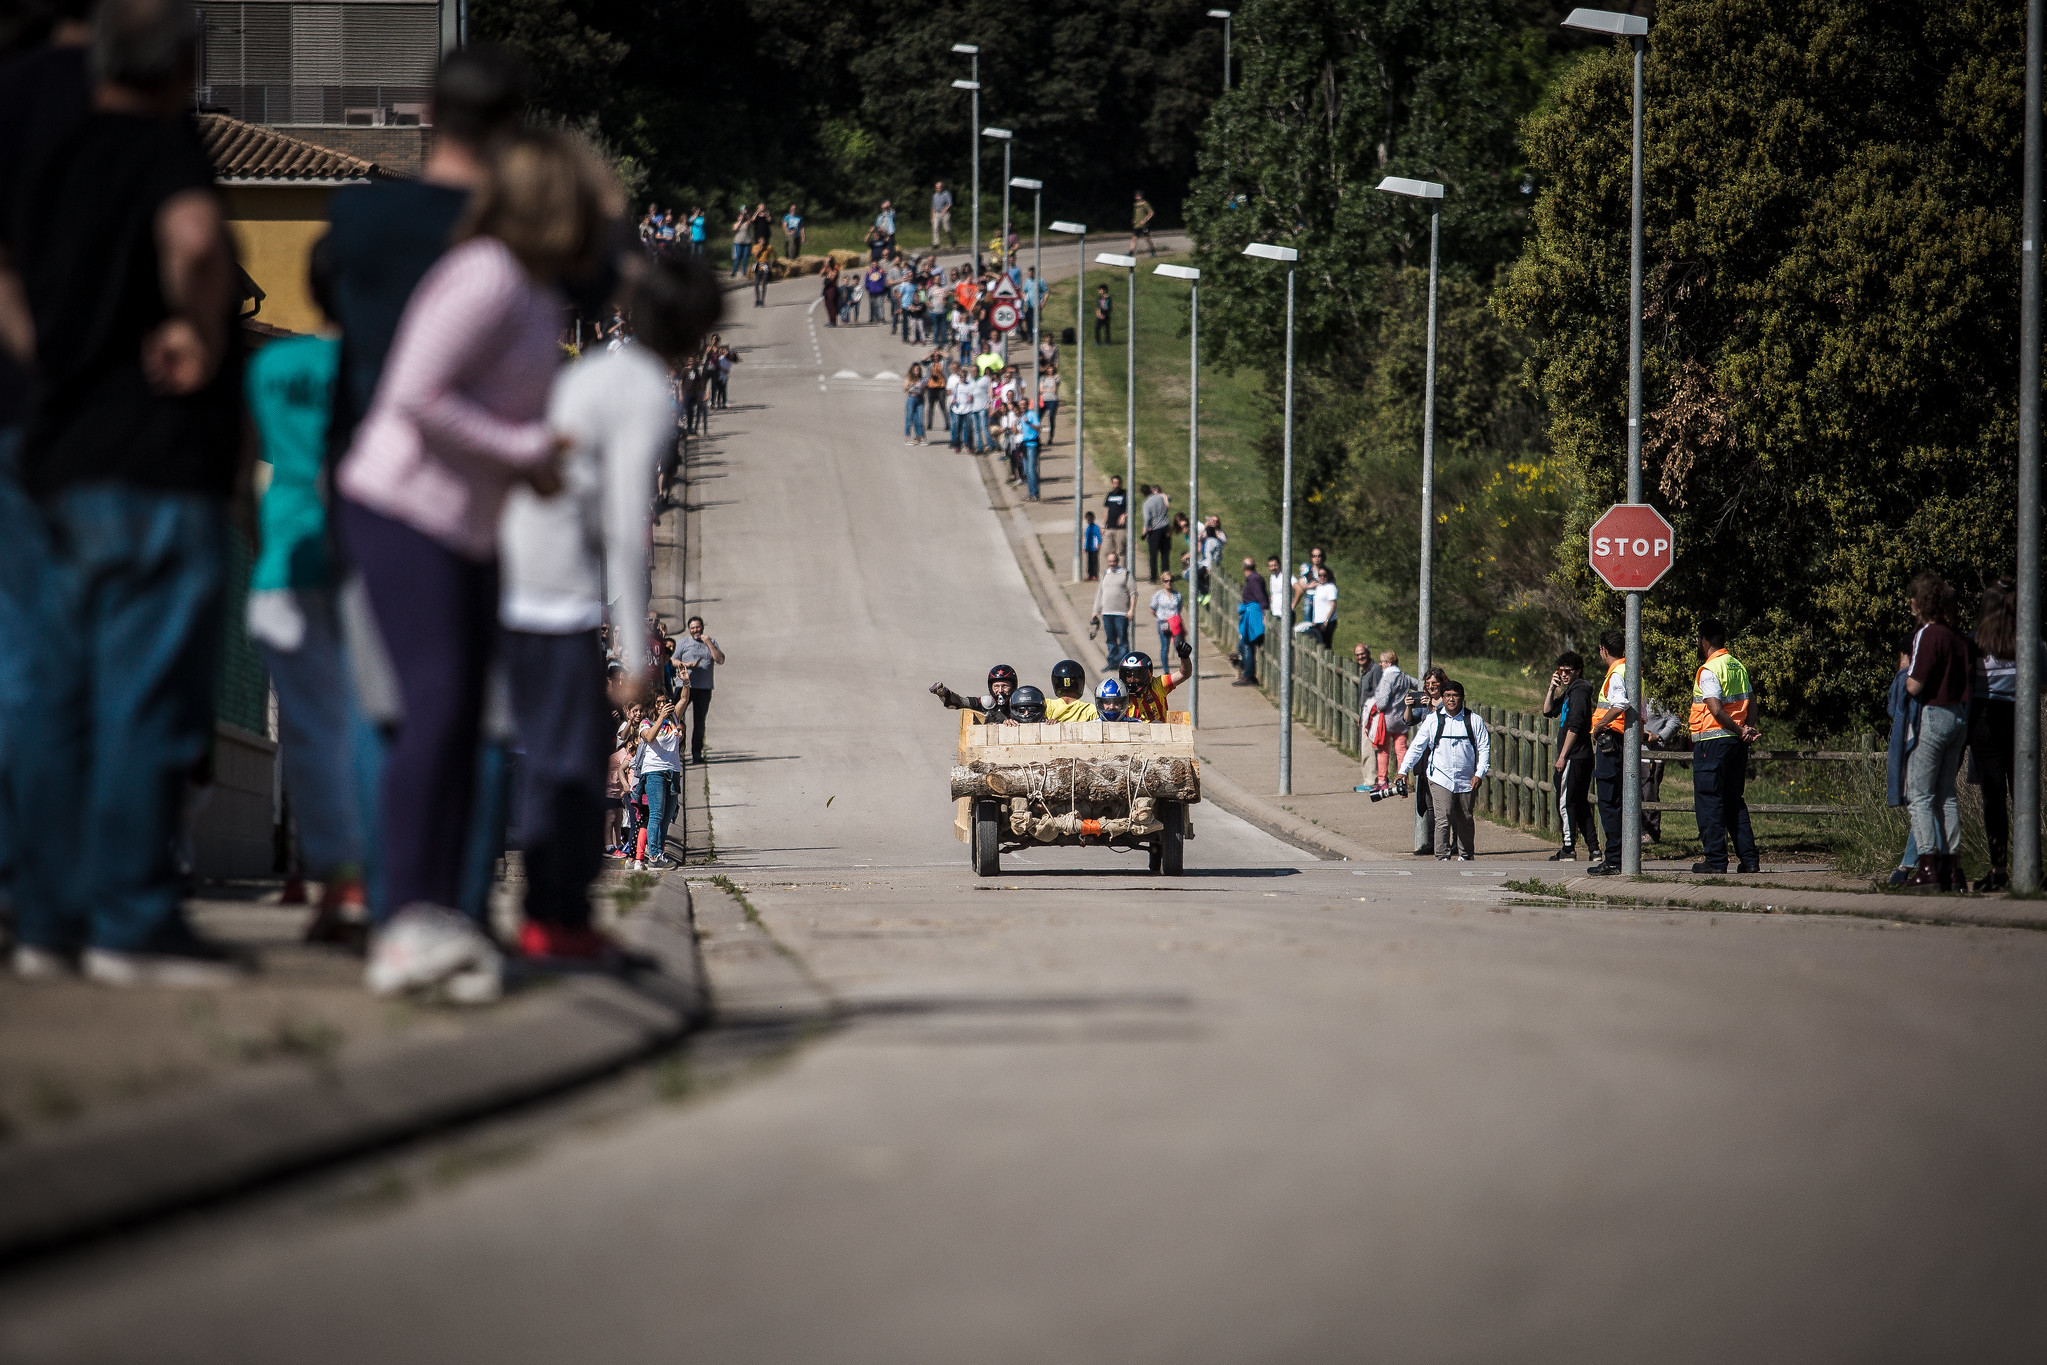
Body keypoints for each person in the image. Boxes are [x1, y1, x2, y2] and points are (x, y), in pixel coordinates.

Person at [0, 0, 249, 984]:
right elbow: (192, 242)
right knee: (142, 696)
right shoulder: (160, 146)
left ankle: (47, 915)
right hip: (150, 455)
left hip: (54, 452)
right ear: (184, 70)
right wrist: (200, 328)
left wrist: (51, 359)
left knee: (54, 691)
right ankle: (131, 918)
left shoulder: (44, 149)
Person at [337, 129, 614, 999]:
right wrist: (525, 448)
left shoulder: (534, 293)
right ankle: (406, 919)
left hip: (465, 526)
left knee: (463, 722)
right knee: (439, 706)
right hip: (403, 507)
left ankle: (443, 919)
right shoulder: (486, 274)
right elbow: (413, 394)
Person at [500, 251, 720, 958]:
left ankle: (513, 904)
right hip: (558, 589)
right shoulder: (646, 391)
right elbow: (630, 519)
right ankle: (557, 915)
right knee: (573, 759)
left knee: (522, 750)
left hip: (509, 573)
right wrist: (630, 649)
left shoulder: (588, 368)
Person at [244, 239, 367, 944]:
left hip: (282, 560)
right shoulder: (375, 374)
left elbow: (241, 474)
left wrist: (258, 545)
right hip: (354, 564)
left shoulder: (271, 368)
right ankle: (355, 875)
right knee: (360, 725)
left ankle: (325, 877)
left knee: (306, 734)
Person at [1901, 572, 1971, 891]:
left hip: (1934, 713)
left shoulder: (1928, 634)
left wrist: (1901, 681)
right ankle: (1952, 866)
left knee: (1919, 792)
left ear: (1923, 601)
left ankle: (1927, 865)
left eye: (1914, 597)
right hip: (1958, 714)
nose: (1911, 602)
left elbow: (1915, 684)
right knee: (1946, 794)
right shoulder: (1956, 636)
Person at [1968, 580, 2031, 892]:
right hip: (2020, 720)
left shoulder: (1975, 642)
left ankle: (1999, 869)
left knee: (1993, 799)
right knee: (2024, 793)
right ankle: (2032, 865)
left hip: (1984, 721)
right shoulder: (2027, 642)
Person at [1687, 617, 1761, 876]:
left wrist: (1740, 730)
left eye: (1698, 639)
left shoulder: (1708, 670)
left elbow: (1716, 709)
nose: (1697, 643)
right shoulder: (1737, 666)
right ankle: (1750, 860)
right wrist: (1746, 730)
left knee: (1709, 801)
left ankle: (1716, 860)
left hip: (1712, 743)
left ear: (1705, 641)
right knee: (1734, 801)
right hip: (1736, 743)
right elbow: (1752, 702)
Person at [1400, 680, 1490, 860]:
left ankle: (1465, 856)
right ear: (1442, 698)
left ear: (1462, 698)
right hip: (1440, 777)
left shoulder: (1474, 720)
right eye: (1447, 696)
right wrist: (1403, 770)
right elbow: (1417, 746)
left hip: (1466, 779)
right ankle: (1442, 857)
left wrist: (1479, 773)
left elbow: (1484, 748)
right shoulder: (1433, 720)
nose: (1451, 700)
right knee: (1443, 818)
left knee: (1465, 818)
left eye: (1455, 696)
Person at [1542, 650, 1599, 863]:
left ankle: (1568, 847)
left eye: (1568, 671)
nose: (1564, 675)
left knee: (1565, 801)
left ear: (1578, 671)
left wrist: (1563, 756)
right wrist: (1551, 688)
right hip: (1577, 756)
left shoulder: (1580, 691)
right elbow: (1548, 711)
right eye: (1561, 671)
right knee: (1580, 802)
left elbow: (1574, 726)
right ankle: (1594, 849)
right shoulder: (1569, 692)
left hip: (1575, 756)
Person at [1585, 630, 1631, 876]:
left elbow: (1620, 704)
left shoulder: (1616, 673)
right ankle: (1623, 855)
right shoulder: (1631, 670)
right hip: (1625, 742)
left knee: (1609, 802)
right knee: (1620, 802)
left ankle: (1614, 859)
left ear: (1603, 649)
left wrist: (1600, 725)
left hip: (1612, 743)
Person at [1405, 667, 1448, 854]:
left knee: (1448, 803)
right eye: (1428, 684)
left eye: (1434, 683)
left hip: (1443, 753)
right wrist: (1408, 705)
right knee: (1429, 802)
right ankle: (1431, 842)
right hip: (1425, 755)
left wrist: (1432, 706)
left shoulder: (1448, 701)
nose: (1431, 687)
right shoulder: (1423, 702)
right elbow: (1408, 721)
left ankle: (1452, 843)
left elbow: (1446, 719)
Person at [1359, 650, 1413, 794]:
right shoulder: (1404, 677)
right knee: (1401, 751)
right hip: (1402, 720)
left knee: (1383, 751)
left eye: (1382, 662)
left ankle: (1382, 780)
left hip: (1386, 720)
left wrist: (1377, 704)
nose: (1380, 664)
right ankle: (1402, 779)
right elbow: (1418, 683)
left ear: (1388, 663)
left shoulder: (1387, 678)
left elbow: (1382, 702)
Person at [673, 615, 724, 764]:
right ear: (689, 629)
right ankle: (676, 752)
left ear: (702, 627)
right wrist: (686, 665)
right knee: (676, 718)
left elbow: (720, 659)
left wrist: (708, 642)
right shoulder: (683, 643)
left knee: (699, 722)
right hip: (684, 686)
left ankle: (697, 753)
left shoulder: (711, 642)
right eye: (693, 628)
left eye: (698, 627)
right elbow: (673, 660)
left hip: (704, 688)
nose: (695, 630)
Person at [1119, 646, 1193, 722]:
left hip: (1159, 732)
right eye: (1128, 675)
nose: (1132, 680)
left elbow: (1184, 674)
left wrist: (1184, 658)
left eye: (1137, 675)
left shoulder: (1159, 684)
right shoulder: (1118, 693)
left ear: (1149, 674)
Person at [930, 664, 1019, 723]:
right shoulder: (985, 703)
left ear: (1013, 687)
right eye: (996, 686)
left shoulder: (1021, 704)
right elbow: (961, 702)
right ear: (991, 687)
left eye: (1004, 686)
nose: (1000, 690)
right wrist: (943, 693)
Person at [1092, 551, 1136, 667]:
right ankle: (1112, 662)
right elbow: (1100, 593)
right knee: (1110, 640)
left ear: (1117, 561)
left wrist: (1131, 610)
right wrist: (1095, 612)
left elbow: (1133, 593)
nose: (1112, 563)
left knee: (1122, 640)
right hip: (1107, 613)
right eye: (1110, 561)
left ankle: (1123, 663)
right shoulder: (1105, 574)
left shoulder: (1126, 574)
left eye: (1114, 561)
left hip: (1121, 613)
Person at [1233, 557, 1268, 685]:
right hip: (1251, 612)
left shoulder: (1254, 580)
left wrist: (1264, 613)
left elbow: (1260, 596)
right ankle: (1247, 670)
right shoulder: (1255, 578)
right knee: (1244, 644)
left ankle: (1249, 675)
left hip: (1253, 614)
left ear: (1243, 568)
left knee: (1247, 644)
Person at [1140, 483, 1171, 582]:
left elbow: (1147, 518)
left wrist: (1145, 531)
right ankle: (1165, 575)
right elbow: (1168, 499)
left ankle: (1153, 577)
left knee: (1153, 555)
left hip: (1155, 530)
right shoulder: (1159, 497)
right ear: (1150, 489)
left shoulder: (1146, 504)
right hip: (1165, 527)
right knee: (1165, 553)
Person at [1151, 579, 1183, 662]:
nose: (1168, 583)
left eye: (1171, 581)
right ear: (1162, 582)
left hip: (1175, 623)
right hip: (1163, 622)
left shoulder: (1177, 595)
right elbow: (1153, 609)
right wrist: (1160, 617)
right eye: (1166, 581)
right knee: (1165, 647)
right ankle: (1166, 670)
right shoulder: (1158, 595)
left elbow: (1179, 607)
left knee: (1179, 646)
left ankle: (1184, 667)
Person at [1101, 475, 1129, 563]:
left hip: (1121, 529)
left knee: (1121, 552)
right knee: (1107, 551)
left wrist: (1124, 515)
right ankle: (1110, 573)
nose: (1116, 485)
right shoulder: (1109, 495)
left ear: (1121, 484)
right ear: (1112, 484)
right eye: (1114, 483)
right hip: (1110, 527)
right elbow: (1106, 511)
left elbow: (1131, 509)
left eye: (1117, 483)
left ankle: (1121, 573)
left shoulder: (1126, 494)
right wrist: (1103, 526)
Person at [903, 362, 927, 446]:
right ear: (912, 370)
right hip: (911, 399)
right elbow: (905, 389)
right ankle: (907, 437)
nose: (917, 371)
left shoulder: (922, 379)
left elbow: (924, 390)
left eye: (918, 370)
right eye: (916, 370)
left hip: (920, 399)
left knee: (920, 419)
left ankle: (920, 437)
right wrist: (911, 384)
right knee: (909, 419)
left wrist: (923, 387)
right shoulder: (909, 378)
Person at [1038, 363, 1060, 443]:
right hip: (1043, 400)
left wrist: (1046, 389)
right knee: (1038, 418)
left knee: (1051, 417)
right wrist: (1048, 389)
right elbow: (1040, 390)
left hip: (1053, 400)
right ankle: (1037, 437)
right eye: (1049, 368)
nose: (1050, 370)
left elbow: (1054, 389)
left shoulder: (1056, 378)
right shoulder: (1042, 378)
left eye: (1051, 368)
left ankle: (1050, 438)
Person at [1131, 190, 1157, 256]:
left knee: (1146, 238)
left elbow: (1151, 213)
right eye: (1136, 196)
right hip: (1137, 225)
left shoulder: (1145, 204)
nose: (1136, 197)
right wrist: (1134, 220)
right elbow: (1137, 214)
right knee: (1134, 238)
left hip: (1144, 225)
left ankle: (1153, 251)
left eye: (1137, 196)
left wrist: (1145, 220)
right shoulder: (1136, 205)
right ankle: (1130, 252)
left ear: (1140, 196)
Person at [931, 181, 954, 247]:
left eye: (939, 187)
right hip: (937, 213)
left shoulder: (946, 194)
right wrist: (932, 216)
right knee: (935, 228)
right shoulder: (935, 195)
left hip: (945, 213)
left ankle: (953, 241)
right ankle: (936, 243)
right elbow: (933, 206)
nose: (937, 189)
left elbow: (950, 203)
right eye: (936, 187)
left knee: (947, 229)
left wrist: (945, 209)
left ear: (942, 187)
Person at [1084, 511, 1102, 579]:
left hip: (1094, 547)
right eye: (1087, 519)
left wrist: (1098, 544)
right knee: (1089, 561)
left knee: (1094, 561)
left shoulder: (1095, 527)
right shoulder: (1087, 528)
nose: (1089, 520)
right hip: (1089, 547)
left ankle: (1095, 574)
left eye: (1090, 519)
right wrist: (1085, 547)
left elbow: (1098, 536)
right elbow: (1085, 538)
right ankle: (1090, 574)